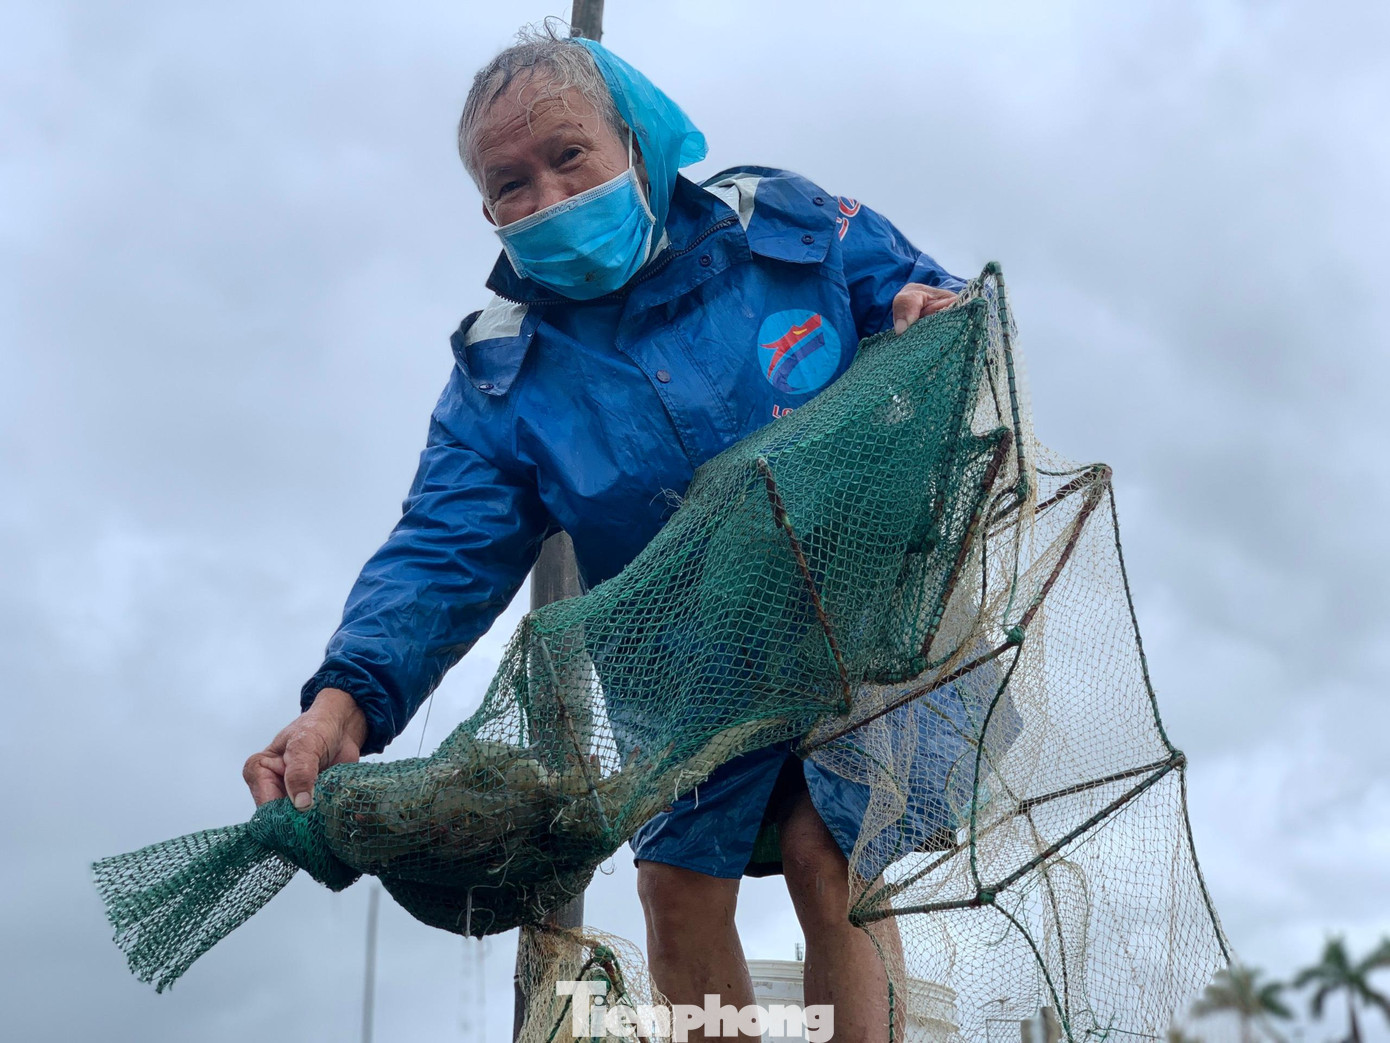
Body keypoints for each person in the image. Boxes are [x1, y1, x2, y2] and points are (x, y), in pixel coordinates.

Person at [243, 25, 963, 1042]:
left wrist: (916, 319)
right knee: (673, 884)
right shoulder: (505, 379)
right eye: (510, 184)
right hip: (690, 677)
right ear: (486, 210)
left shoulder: (792, 229)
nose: (545, 198)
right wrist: (343, 700)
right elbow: (440, 548)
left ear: (635, 142)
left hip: (873, 619)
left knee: (825, 842)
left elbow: (928, 311)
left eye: (568, 155)